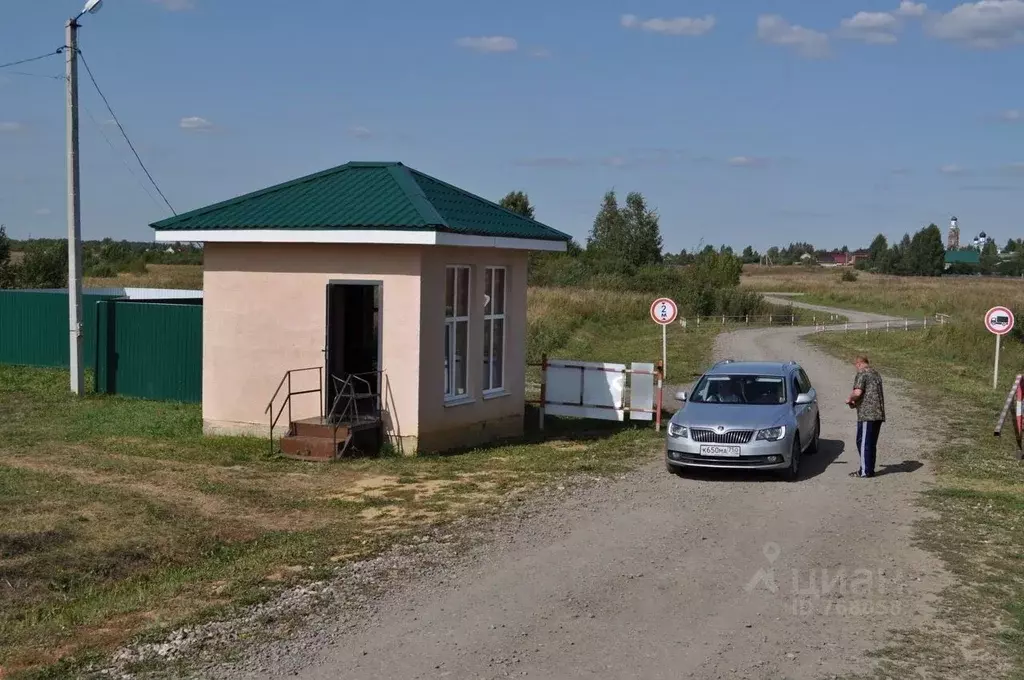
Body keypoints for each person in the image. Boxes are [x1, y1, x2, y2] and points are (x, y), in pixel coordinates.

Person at [845, 355, 885, 478]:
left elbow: (858, 392)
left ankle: (865, 471)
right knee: (871, 443)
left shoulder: (862, 373)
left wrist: (849, 399)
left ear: (859, 364)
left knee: (863, 442)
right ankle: (869, 469)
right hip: (878, 413)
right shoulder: (876, 374)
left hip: (867, 414)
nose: (856, 368)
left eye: (855, 366)